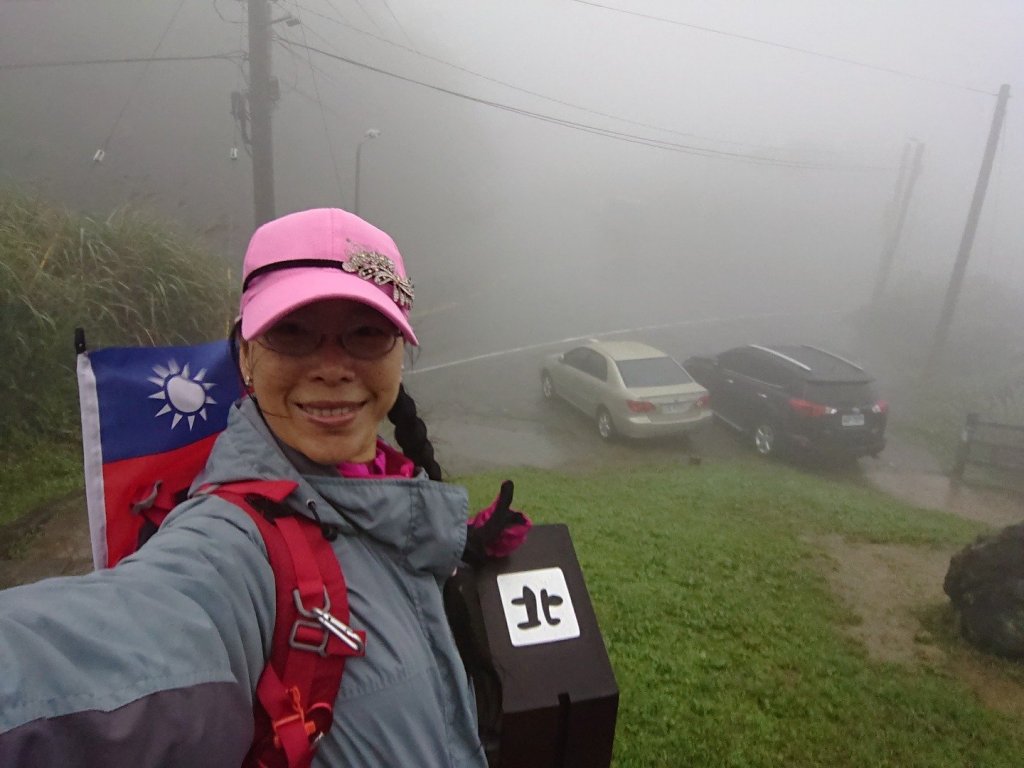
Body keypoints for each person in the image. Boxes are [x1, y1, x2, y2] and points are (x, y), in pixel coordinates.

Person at [0, 208, 529, 767]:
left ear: (401, 353)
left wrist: (454, 544)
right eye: (292, 332)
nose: (332, 367)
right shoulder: (230, 545)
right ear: (247, 357)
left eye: (366, 333)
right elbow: (118, 642)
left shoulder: (388, 498)